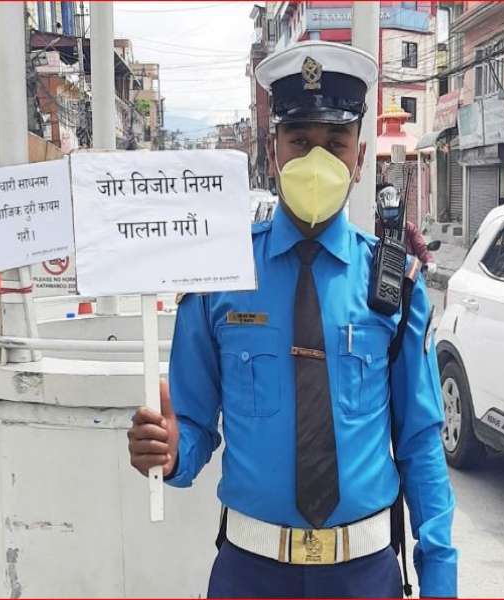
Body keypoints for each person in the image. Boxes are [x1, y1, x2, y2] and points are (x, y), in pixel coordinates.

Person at [127, 41, 456, 599]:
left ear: (359, 158)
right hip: (250, 573)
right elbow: (194, 425)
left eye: (335, 143)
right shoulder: (220, 277)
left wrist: (440, 580)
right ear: (274, 151)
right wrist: (172, 450)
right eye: (300, 142)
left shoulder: (394, 284)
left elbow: (420, 441)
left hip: (365, 575)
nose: (316, 162)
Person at [374, 183, 437, 274]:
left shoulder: (409, 228)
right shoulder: (374, 227)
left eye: (393, 212)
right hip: (380, 272)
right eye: (387, 212)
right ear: (379, 211)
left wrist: (429, 261)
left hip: (407, 273)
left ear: (400, 209)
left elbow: (421, 249)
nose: (390, 217)